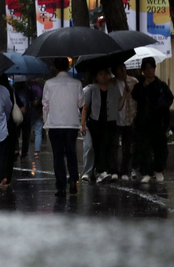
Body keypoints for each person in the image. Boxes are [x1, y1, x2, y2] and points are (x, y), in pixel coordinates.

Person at [42, 58, 84, 197]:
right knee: (71, 153)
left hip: (54, 124)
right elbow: (80, 103)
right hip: (71, 123)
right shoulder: (77, 83)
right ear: (68, 66)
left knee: (58, 155)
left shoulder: (49, 84)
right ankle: (73, 181)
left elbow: (45, 105)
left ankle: (60, 186)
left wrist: (45, 122)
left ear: (55, 67)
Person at [132, 57, 174, 183]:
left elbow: (169, 98)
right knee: (144, 148)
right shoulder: (139, 86)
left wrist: (162, 106)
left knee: (160, 148)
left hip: (158, 123)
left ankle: (159, 170)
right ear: (143, 70)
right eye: (147, 68)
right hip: (143, 123)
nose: (150, 71)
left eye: (152, 68)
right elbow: (135, 97)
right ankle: (146, 172)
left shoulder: (161, 85)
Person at [81, 68, 125, 184]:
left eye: (105, 74)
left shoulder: (114, 89)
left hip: (110, 121)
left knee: (107, 146)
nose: (104, 77)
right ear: (96, 77)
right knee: (96, 147)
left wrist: (126, 94)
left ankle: (102, 171)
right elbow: (85, 107)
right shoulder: (91, 89)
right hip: (95, 122)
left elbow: (119, 107)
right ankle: (98, 171)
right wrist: (83, 125)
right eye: (100, 74)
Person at [114, 63, 138, 181]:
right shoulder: (112, 83)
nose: (122, 69)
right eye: (119, 67)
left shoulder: (133, 82)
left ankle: (125, 171)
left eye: (124, 67)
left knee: (127, 147)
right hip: (115, 119)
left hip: (129, 118)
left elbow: (138, 99)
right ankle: (114, 170)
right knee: (114, 146)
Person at [17, 80, 42, 160]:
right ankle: (26, 153)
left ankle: (16, 150)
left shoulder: (14, 90)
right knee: (27, 135)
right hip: (29, 115)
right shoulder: (30, 90)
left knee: (16, 135)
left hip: (17, 116)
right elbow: (34, 102)